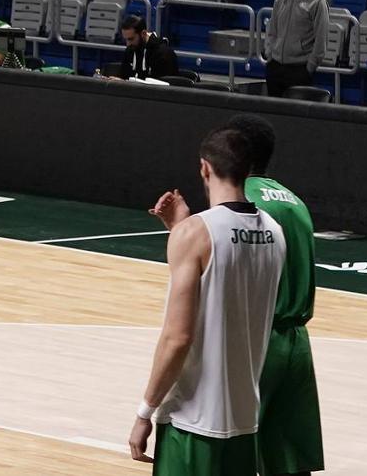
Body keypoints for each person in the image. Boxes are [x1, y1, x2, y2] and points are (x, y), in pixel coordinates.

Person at [128, 127, 287, 475]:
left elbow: (178, 338)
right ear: (249, 171)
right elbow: (230, 281)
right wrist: (181, 229)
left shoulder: (196, 234)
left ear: (204, 168)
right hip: (245, 419)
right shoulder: (275, 231)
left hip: (192, 421)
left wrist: (144, 412)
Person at [228, 114, 325, 476]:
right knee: (288, 460)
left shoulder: (241, 202)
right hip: (297, 341)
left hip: (258, 340)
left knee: (232, 453)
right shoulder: (293, 200)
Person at [264, 0, 329, 98]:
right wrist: (270, 55)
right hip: (275, 67)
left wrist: (309, 68)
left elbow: (321, 39)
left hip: (299, 70)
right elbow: (272, 31)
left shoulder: (317, 1)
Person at [119, 15, 180, 81]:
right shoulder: (129, 51)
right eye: (125, 39)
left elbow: (163, 87)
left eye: (131, 39)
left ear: (143, 33)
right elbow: (124, 77)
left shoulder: (164, 54)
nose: (127, 44)